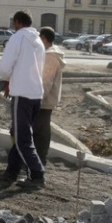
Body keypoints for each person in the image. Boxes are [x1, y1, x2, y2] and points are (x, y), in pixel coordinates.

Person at [0, 11, 46, 188]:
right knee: (22, 135)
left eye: (13, 22)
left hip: (22, 95)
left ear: (17, 22)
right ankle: (12, 172)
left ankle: (37, 174)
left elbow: (4, 67)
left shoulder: (17, 38)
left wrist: (7, 79)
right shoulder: (38, 41)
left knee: (22, 138)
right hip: (36, 95)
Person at [32, 27, 65, 166]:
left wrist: (37, 100)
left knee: (40, 132)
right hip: (46, 100)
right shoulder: (50, 54)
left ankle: (39, 161)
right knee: (42, 130)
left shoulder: (50, 57)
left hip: (44, 101)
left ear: (44, 38)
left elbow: (46, 82)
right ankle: (39, 160)